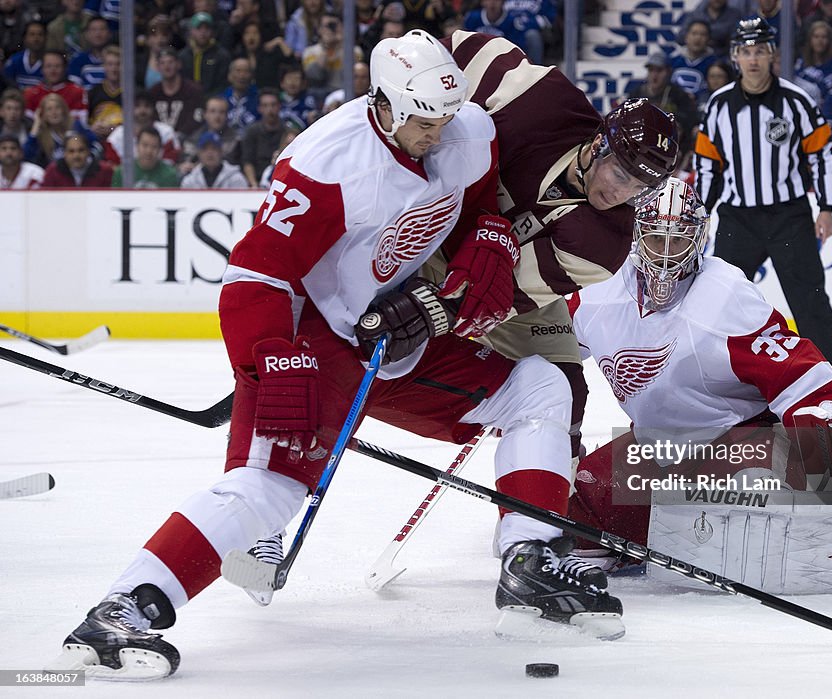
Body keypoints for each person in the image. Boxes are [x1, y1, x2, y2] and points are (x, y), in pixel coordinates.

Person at [48, 31, 622, 682]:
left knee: (542, 387)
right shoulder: (326, 166)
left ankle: (529, 559)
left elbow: (475, 197)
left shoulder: (465, 130)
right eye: (424, 124)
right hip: (316, 334)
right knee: (273, 487)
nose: (439, 134)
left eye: (445, 119)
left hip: (395, 334)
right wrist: (273, 360)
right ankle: (121, 610)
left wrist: (485, 230)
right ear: (387, 106)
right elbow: (254, 277)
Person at [564, 177, 832, 595]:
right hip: (659, 445)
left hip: (738, 437)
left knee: (744, 497)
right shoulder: (598, 295)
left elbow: (799, 374)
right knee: (580, 499)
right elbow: (547, 352)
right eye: (657, 240)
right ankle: (628, 541)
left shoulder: (724, 296)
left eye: (679, 240)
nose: (667, 256)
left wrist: (828, 445)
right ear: (637, 237)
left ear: (699, 237)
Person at [433, 30, 682, 470]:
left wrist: (431, 311)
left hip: (492, 273)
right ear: (599, 143)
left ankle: (540, 516)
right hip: (425, 219)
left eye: (639, 188)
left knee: (565, 389)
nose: (622, 195)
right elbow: (454, 49)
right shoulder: (542, 99)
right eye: (621, 176)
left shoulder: (602, 246)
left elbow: (498, 296)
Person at [696, 18, 832, 385]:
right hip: (737, 219)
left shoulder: (797, 100)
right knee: (719, 305)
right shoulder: (718, 106)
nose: (753, 59)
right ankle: (716, 385)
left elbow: (823, 153)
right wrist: (702, 212)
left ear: (772, 55)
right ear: (735, 58)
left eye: (760, 50)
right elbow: (707, 164)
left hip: (788, 217)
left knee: (810, 305)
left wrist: (826, 207)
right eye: (746, 51)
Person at [626, 51, 699, 150]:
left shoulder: (677, 94)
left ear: (668, 72)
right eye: (651, 70)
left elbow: (690, 119)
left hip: (671, 142)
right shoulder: (637, 93)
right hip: (642, 140)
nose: (655, 75)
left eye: (659, 70)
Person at [149, 48, 205, 139]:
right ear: (158, 67)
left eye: (170, 62)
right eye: (162, 63)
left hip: (188, 139)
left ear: (179, 64)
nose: (167, 66)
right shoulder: (153, 92)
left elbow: (198, 117)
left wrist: (180, 135)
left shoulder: (193, 91)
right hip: (157, 141)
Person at [22, 50, 87, 123]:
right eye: (48, 66)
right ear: (42, 69)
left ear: (64, 68)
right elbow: (27, 124)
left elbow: (80, 124)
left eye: (57, 66)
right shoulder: (30, 94)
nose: (53, 70)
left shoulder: (77, 92)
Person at [178, 12, 231, 95]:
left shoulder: (222, 55)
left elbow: (223, 84)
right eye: (199, 28)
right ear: (191, 31)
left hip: (214, 102)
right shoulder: (182, 56)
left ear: (212, 31)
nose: (203, 32)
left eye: (207, 28)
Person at [239, 87, 284, 186]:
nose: (270, 109)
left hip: (281, 183)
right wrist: (254, 185)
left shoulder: (288, 132)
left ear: (279, 106)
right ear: (259, 108)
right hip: (257, 182)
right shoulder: (252, 131)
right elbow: (247, 162)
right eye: (265, 106)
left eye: (273, 105)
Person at [112, 126, 180, 188]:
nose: (149, 151)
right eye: (145, 145)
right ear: (137, 146)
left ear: (159, 150)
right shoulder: (122, 172)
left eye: (154, 147)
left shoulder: (169, 175)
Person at [39, 130, 113, 187]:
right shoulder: (53, 171)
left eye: (81, 150)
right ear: (64, 153)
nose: (76, 156)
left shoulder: (105, 171)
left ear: (88, 151)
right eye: (71, 151)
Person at [180, 131, 248, 188]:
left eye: (214, 148)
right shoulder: (190, 180)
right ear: (199, 153)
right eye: (205, 149)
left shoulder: (236, 178)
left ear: (221, 152)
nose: (210, 153)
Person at [671, 18, 716, 99]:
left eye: (703, 34)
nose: (698, 38)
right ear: (686, 37)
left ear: (709, 39)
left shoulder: (714, 64)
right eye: (694, 33)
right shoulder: (672, 62)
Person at [2, 19, 45, 89]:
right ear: (25, 38)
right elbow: (6, 82)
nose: (36, 38)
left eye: (40, 34)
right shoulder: (14, 60)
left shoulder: (50, 62)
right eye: (32, 34)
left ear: (46, 38)